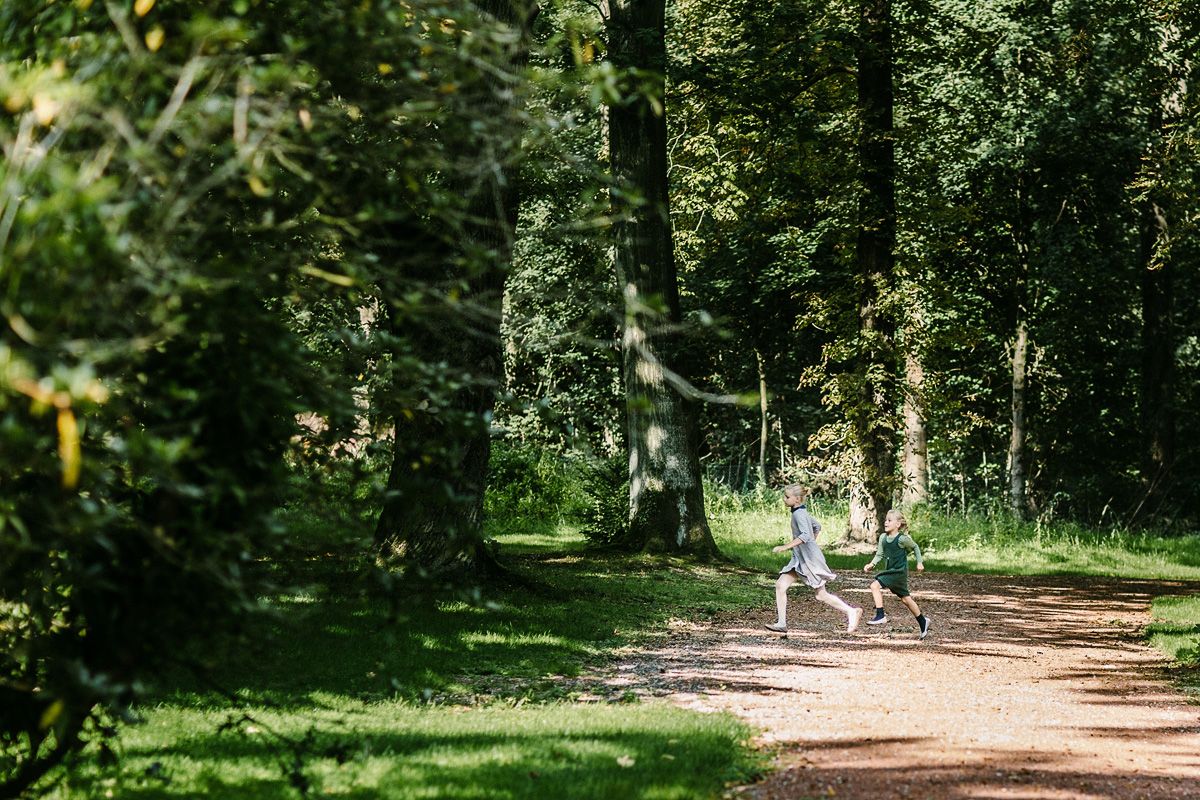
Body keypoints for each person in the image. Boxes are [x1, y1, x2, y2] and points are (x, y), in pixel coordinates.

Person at [765, 485, 862, 634]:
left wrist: (786, 546)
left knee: (821, 595)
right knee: (780, 585)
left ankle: (851, 611)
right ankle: (781, 623)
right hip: (800, 558)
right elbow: (817, 526)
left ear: (797, 499)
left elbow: (805, 535)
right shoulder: (801, 512)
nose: (784, 499)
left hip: (809, 560)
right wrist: (810, 545)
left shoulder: (799, 514)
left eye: (787, 497)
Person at [862, 509, 930, 639]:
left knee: (874, 586)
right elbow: (879, 554)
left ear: (898, 524)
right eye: (886, 520)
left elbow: (915, 547)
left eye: (889, 520)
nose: (886, 522)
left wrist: (919, 562)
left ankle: (880, 615)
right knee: (906, 599)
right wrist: (872, 564)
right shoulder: (883, 537)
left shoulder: (902, 539)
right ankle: (923, 621)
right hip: (891, 571)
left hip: (898, 572)